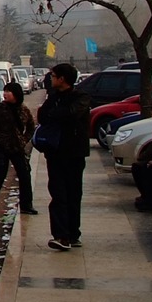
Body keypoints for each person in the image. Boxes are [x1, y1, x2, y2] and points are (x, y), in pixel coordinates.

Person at [37, 62, 91, 251]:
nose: (50, 79)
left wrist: (55, 114)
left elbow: (71, 114)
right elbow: (42, 116)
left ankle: (73, 233)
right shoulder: (53, 97)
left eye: (53, 76)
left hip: (74, 152)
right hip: (55, 152)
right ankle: (61, 236)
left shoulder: (80, 97)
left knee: (73, 194)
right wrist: (54, 113)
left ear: (62, 79)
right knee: (58, 193)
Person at [0, 81, 36, 217]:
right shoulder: (0, 108)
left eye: (8, 91)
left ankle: (26, 205)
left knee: (24, 175)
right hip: (1, 148)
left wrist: (24, 139)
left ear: (16, 94)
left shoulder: (23, 109)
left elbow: (31, 126)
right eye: (4, 91)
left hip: (17, 147)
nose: (5, 94)